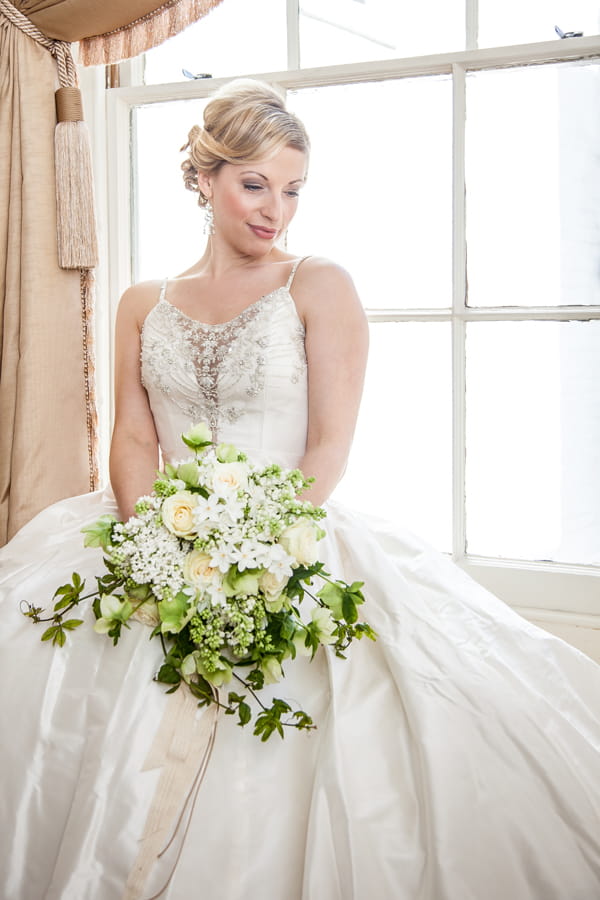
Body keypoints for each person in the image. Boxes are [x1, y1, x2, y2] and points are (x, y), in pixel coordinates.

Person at [0, 78, 598, 900]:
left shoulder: (318, 284)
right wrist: (154, 550)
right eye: (254, 185)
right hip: (153, 532)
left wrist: (258, 546)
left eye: (291, 190)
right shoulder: (144, 302)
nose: (275, 210)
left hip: (290, 533)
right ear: (203, 178)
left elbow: (327, 448)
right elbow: (135, 438)